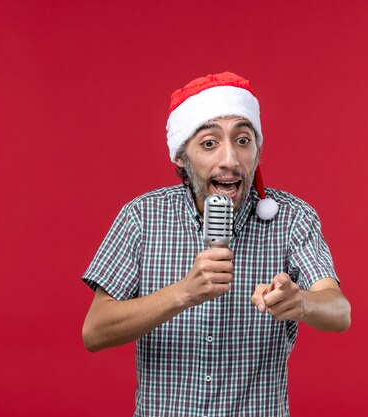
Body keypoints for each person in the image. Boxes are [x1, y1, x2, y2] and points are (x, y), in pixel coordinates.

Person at [81, 71, 351, 417]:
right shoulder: (142, 217)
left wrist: (301, 303)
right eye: (210, 143)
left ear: (257, 149)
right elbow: (95, 331)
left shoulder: (292, 218)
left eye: (242, 140)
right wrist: (183, 294)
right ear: (182, 156)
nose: (230, 160)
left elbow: (340, 312)